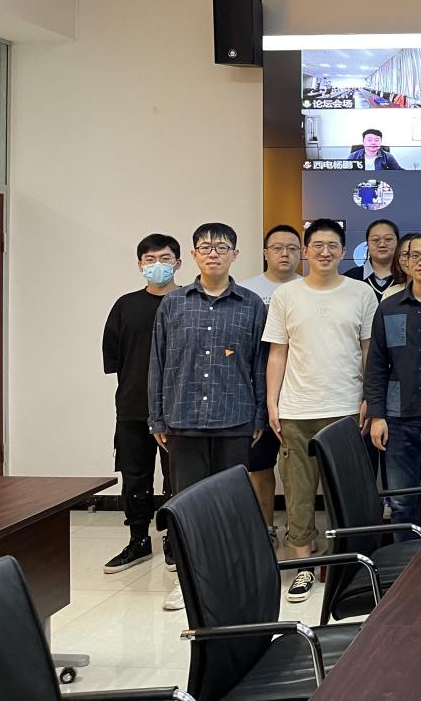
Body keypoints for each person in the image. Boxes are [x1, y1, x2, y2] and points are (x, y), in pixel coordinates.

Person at [149, 222, 267, 611]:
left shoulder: (252, 304)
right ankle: (189, 583)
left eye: (221, 247)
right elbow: (158, 363)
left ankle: (230, 579)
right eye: (205, 247)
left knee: (232, 505)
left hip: (235, 419)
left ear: (235, 254)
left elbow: (259, 364)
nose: (213, 253)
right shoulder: (173, 303)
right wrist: (157, 417)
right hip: (183, 419)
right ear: (194, 255)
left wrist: (258, 416)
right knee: (188, 506)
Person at [263, 218, 378, 602]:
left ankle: (342, 562)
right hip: (296, 409)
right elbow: (278, 352)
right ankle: (304, 566)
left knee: (342, 493)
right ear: (305, 251)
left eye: (333, 246)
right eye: (317, 245)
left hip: (345, 409)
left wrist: (369, 397)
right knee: (298, 493)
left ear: (343, 251)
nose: (325, 252)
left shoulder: (361, 293)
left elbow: (368, 351)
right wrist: (272, 401)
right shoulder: (286, 295)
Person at [366, 232, 421, 537]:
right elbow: (377, 365)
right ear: (405, 261)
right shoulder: (389, 307)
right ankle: (404, 563)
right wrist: (377, 415)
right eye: (415, 255)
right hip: (398, 419)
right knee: (401, 502)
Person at [102, 234, 181, 576]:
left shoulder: (187, 302)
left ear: (178, 262)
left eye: (165, 258)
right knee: (135, 476)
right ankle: (138, 540)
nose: (157, 265)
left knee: (177, 477)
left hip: (177, 409)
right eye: (150, 259)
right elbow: (115, 358)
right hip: (133, 406)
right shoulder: (125, 306)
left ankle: (176, 540)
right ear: (139, 265)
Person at [238, 224, 303, 546]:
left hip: (301, 393)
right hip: (259, 393)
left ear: (301, 253)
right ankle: (265, 529)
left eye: (292, 248)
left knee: (300, 471)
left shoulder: (309, 288)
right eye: (277, 248)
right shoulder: (246, 292)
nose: (284, 254)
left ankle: (299, 530)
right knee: (259, 465)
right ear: (265, 253)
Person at [344, 219, 403, 300]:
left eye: (388, 239)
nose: (382, 244)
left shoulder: (408, 277)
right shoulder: (350, 278)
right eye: (375, 240)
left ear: (398, 242)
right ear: (367, 244)